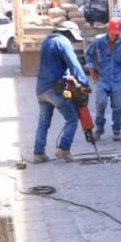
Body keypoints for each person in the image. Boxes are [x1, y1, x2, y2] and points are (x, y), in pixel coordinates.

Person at [33, 21, 90, 163]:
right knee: (72, 118)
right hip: (54, 89)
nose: (72, 41)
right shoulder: (64, 43)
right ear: (68, 33)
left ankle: (38, 153)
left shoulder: (47, 41)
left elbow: (55, 65)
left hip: (41, 89)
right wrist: (83, 84)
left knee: (44, 122)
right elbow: (74, 65)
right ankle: (64, 149)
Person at [85, 17, 121, 140]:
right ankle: (99, 128)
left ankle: (117, 130)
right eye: (113, 34)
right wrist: (91, 69)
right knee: (101, 104)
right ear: (108, 30)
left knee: (117, 106)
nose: (115, 36)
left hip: (117, 79)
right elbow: (88, 54)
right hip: (102, 79)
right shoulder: (98, 42)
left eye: (117, 34)